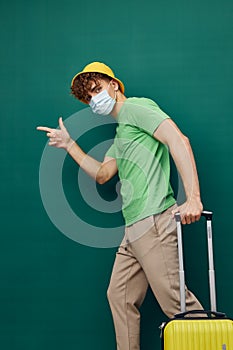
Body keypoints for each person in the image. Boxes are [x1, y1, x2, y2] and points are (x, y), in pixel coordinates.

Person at [37, 61, 204, 350]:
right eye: (88, 98)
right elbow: (103, 174)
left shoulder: (136, 108)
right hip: (133, 229)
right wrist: (69, 144)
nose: (94, 100)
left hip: (153, 221)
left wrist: (193, 198)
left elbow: (179, 140)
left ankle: (216, 343)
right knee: (120, 296)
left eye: (97, 90)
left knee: (176, 305)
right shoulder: (123, 132)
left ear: (114, 85)